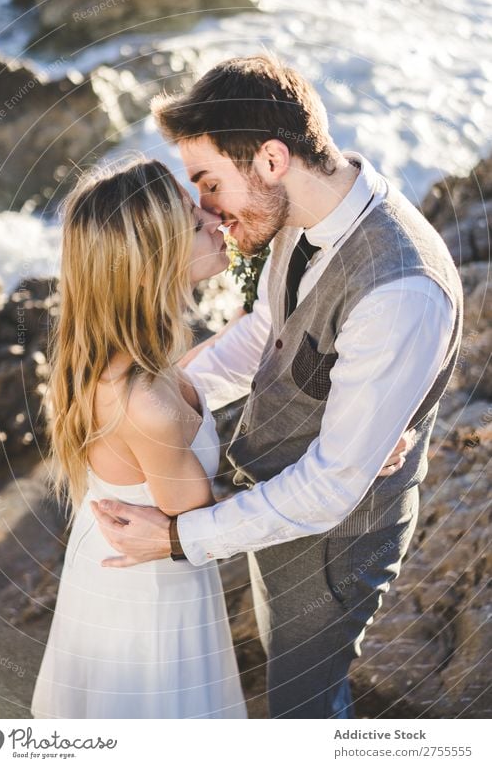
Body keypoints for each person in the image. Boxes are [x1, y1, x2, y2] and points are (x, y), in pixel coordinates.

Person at [92, 55, 463, 719]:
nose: (203, 212)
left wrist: (178, 539)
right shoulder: (302, 213)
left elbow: (329, 487)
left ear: (269, 160)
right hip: (278, 511)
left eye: (208, 183)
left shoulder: (400, 291)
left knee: (303, 709)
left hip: (335, 546)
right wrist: (156, 395)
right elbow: (268, 329)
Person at [31, 158, 247, 719]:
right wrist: (342, 461)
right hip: (153, 615)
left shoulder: (109, 363)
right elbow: (206, 527)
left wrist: (261, 326)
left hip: (107, 590)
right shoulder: (146, 408)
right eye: (195, 220)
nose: (214, 215)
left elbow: (187, 382)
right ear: (153, 266)